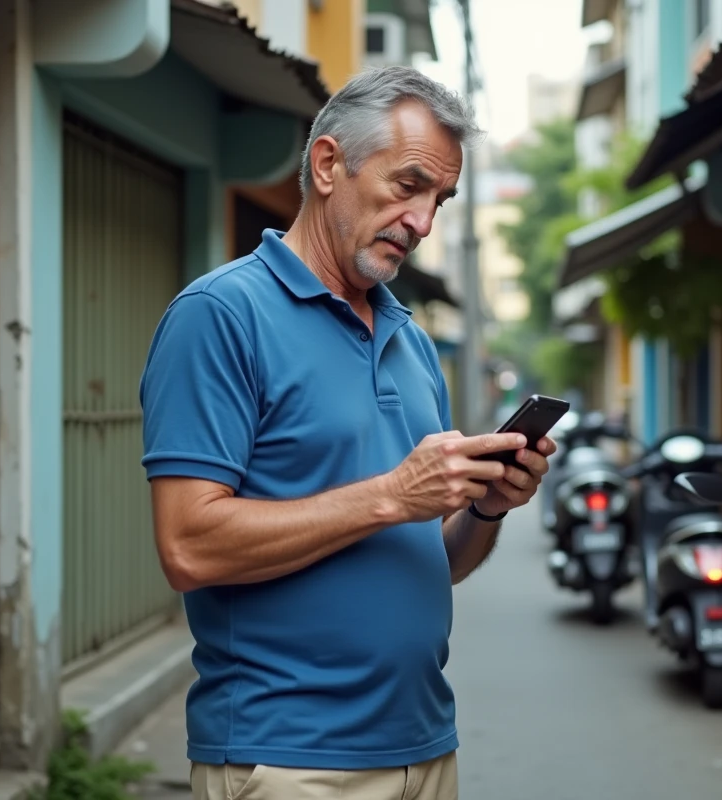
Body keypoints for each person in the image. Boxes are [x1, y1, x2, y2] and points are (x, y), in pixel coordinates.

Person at [138, 65, 555, 800]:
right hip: (291, 759)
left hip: (425, 748)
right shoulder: (220, 315)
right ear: (329, 165)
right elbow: (188, 547)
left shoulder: (411, 340)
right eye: (408, 186)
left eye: (440, 200)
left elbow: (434, 559)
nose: (423, 223)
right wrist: (393, 494)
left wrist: (486, 507)